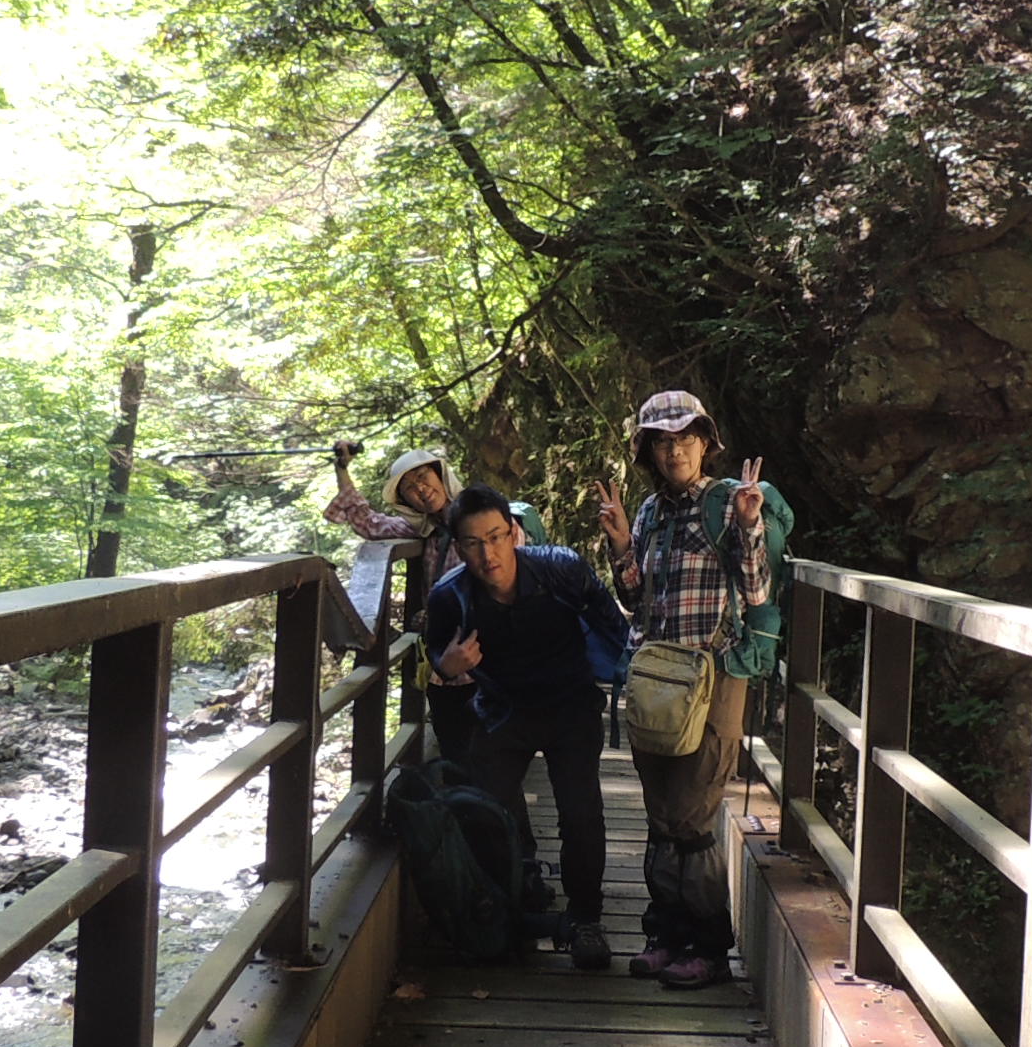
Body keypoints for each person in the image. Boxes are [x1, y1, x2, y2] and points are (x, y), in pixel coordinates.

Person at [596, 390, 790, 989]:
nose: (674, 450)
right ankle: (665, 934)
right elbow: (635, 598)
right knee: (660, 814)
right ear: (648, 452)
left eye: (685, 438)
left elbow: (756, 591)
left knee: (694, 815)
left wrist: (750, 523)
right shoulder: (650, 512)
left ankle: (708, 948)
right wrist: (622, 543)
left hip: (713, 674)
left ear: (705, 443)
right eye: (662, 441)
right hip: (656, 676)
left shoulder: (728, 502)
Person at [423, 486, 630, 972]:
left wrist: (620, 675)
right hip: (503, 710)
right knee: (487, 810)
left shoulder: (561, 569)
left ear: (513, 532)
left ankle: (586, 919)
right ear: (458, 546)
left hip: (570, 706)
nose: (488, 554)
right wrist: (449, 666)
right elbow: (436, 653)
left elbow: (614, 626)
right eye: (473, 543)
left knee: (581, 814)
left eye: (496, 537)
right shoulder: (450, 595)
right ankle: (515, 898)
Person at [325, 439, 542, 770]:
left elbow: (511, 582)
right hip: (447, 668)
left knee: (497, 766)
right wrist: (342, 469)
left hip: (493, 662)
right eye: (410, 489)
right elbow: (367, 522)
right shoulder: (423, 529)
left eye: (424, 478)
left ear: (441, 476)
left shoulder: (486, 516)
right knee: (457, 758)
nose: (421, 490)